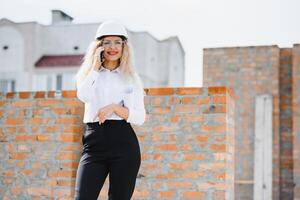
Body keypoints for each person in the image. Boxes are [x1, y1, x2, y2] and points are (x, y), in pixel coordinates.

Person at [74, 20, 146, 200]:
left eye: (117, 42)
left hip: (124, 144)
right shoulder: (87, 74)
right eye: (107, 42)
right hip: (94, 143)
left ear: (124, 46)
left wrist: (115, 108)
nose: (112, 47)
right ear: (99, 46)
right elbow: (83, 96)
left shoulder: (131, 78)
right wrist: (95, 69)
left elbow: (140, 117)